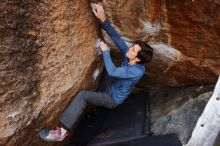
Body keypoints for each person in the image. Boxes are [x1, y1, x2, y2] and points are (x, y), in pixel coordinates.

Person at [39, 3, 153, 142]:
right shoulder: (131, 57)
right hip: (111, 85)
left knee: (83, 96)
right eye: (132, 47)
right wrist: (103, 18)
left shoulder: (136, 71)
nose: (129, 49)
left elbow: (112, 71)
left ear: (137, 58)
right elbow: (118, 40)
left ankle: (61, 132)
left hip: (112, 99)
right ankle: (90, 101)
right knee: (104, 68)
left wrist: (105, 51)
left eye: (133, 50)